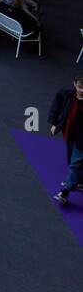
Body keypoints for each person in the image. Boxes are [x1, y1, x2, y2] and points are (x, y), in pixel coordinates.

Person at [49, 75, 83, 204]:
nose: (82, 90)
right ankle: (79, 181)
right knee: (71, 160)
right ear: (74, 84)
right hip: (69, 134)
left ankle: (65, 192)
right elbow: (56, 109)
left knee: (75, 164)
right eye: (80, 87)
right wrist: (55, 124)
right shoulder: (65, 94)